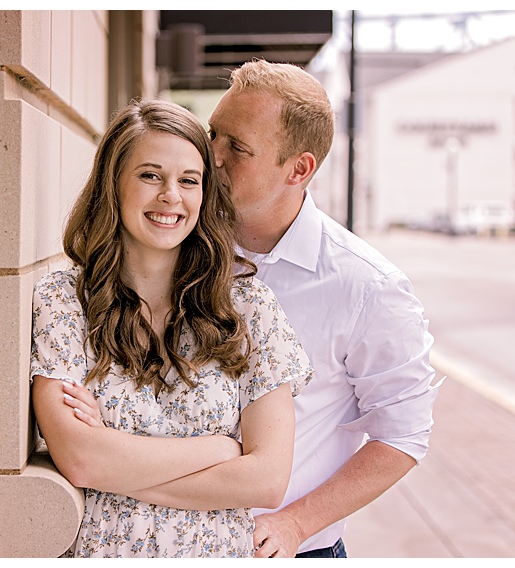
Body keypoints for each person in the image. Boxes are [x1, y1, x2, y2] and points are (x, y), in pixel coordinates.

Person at [30, 99, 313, 557]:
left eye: (188, 180)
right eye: (149, 175)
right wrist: (222, 449)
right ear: (113, 183)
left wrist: (115, 465)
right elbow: (81, 459)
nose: (171, 196)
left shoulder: (247, 306)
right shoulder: (65, 300)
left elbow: (267, 480)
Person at [209, 60, 440, 558]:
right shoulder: (176, 247)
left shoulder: (368, 288)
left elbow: (402, 435)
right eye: (213, 134)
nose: (213, 157)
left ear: (299, 168)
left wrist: (296, 522)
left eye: (238, 147)